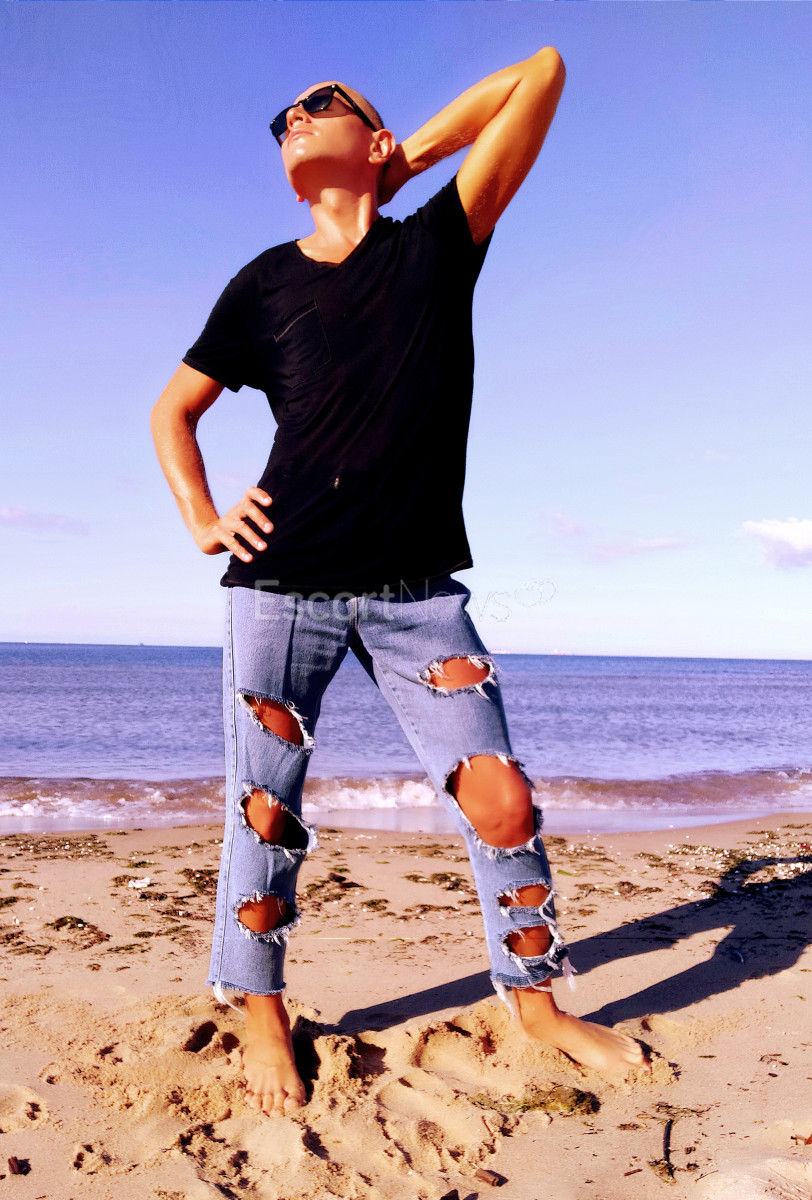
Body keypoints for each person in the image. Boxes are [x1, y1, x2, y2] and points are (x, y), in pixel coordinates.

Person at [150, 50, 645, 1117]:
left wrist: (402, 160)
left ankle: (533, 1003)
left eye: (321, 104)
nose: (294, 115)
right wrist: (203, 517)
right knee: (264, 810)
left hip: (418, 594)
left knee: (502, 800)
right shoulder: (262, 282)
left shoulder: (435, 247)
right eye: (282, 115)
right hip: (280, 584)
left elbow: (541, 73)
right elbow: (172, 411)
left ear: (373, 140)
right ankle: (261, 1010)